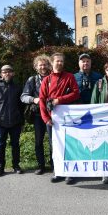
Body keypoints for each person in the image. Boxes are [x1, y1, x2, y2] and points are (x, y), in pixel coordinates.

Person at [39, 53, 80, 185]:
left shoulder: (69, 77)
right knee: (54, 146)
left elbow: (75, 93)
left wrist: (59, 100)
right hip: (52, 119)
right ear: (52, 63)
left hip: (67, 118)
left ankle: (70, 173)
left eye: (62, 61)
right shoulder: (47, 80)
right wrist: (46, 118)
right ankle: (58, 171)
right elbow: (42, 100)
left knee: (69, 145)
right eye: (57, 61)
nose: (60, 63)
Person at [0, 65, 24, 177]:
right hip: (1, 123)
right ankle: (0, 168)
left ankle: (16, 166)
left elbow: (21, 107)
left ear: (13, 73)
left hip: (16, 122)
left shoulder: (18, 88)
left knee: (15, 145)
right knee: (1, 145)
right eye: (4, 72)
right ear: (1, 74)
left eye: (9, 71)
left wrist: (22, 121)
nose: (7, 73)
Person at [21, 55, 52, 175]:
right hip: (38, 115)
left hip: (51, 115)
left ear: (48, 65)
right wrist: (34, 99)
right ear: (36, 67)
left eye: (45, 64)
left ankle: (54, 164)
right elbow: (23, 96)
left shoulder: (53, 78)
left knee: (53, 141)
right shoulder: (32, 80)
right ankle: (41, 166)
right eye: (40, 65)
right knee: (38, 141)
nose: (43, 67)